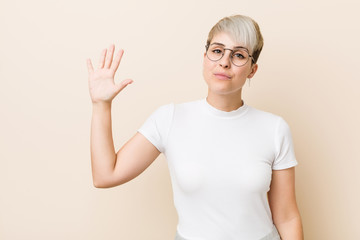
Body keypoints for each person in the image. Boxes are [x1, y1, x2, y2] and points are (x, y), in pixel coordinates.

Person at [86, 14, 304, 240]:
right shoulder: (169, 119)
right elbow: (105, 175)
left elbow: (287, 217)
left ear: (252, 70)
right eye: (217, 50)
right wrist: (101, 104)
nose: (224, 62)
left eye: (239, 55)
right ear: (205, 57)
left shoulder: (274, 129)